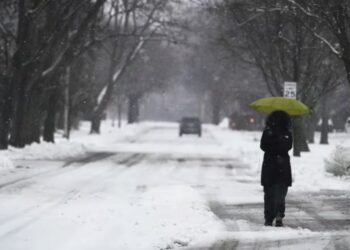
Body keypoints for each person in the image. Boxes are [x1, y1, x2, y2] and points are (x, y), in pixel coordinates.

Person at [260, 110, 293, 227]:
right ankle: (278, 214)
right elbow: (288, 146)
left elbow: (263, 146)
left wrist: (273, 143)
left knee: (269, 192)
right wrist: (279, 142)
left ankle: (269, 217)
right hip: (282, 165)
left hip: (270, 164)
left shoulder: (268, 132)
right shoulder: (287, 132)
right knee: (280, 192)